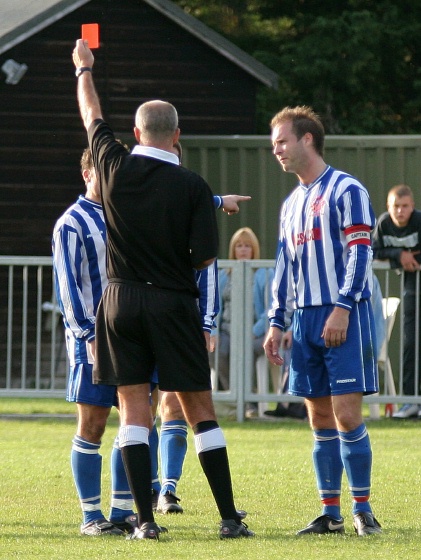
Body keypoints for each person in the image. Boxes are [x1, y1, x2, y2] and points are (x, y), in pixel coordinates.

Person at [72, 39, 254, 541]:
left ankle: (144, 523)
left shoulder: (109, 164)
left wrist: (83, 68)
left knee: (133, 410)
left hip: (120, 301)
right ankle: (228, 518)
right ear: (177, 136)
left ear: (135, 133)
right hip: (172, 301)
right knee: (198, 411)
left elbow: (91, 114)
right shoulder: (194, 187)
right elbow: (203, 260)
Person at [264, 105, 381, 537]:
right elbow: (285, 267)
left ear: (306, 139)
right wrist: (277, 321)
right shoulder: (291, 202)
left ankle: (363, 510)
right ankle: (330, 513)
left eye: (281, 141)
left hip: (342, 314)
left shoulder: (347, 190)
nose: (275, 150)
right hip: (307, 321)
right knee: (318, 419)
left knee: (347, 415)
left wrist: (344, 305)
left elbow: (360, 251)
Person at [52, 147, 135, 536]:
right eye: (104, 173)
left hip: (132, 336)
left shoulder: (127, 215)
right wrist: (88, 333)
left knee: (136, 420)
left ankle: (121, 512)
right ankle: (90, 517)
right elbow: (69, 287)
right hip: (93, 341)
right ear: (87, 175)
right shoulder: (70, 224)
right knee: (94, 422)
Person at [372, 184, 421, 418]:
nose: (400, 211)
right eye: (396, 206)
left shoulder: (419, 221)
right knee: (410, 342)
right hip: (411, 288)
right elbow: (372, 250)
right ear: (388, 207)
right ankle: (410, 401)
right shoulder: (383, 224)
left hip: (415, 283)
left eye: (405, 206)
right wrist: (399, 255)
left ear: (412, 206)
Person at [211, 227, 274, 408]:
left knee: (245, 350)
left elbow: (271, 308)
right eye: (239, 246)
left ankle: (249, 399)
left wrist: (254, 332)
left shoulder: (265, 274)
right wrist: (214, 331)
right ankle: (237, 401)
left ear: (254, 249)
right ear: (233, 250)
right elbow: (214, 308)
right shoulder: (223, 274)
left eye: (247, 245)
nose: (243, 249)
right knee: (215, 350)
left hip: (256, 333)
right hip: (227, 331)